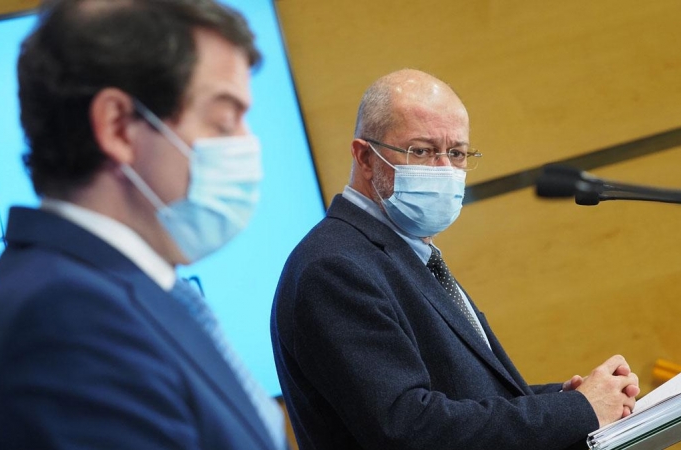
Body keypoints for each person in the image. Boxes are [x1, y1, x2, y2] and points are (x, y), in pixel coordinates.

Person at [0, 1, 285, 449]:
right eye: (224, 121)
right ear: (118, 127)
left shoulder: (121, 290)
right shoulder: (64, 324)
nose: (247, 145)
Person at [271, 69, 641, 450]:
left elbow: (461, 396)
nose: (445, 170)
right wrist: (578, 410)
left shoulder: (408, 253)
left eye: (457, 153)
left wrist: (566, 400)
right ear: (366, 156)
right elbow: (409, 429)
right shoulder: (334, 268)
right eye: (422, 150)